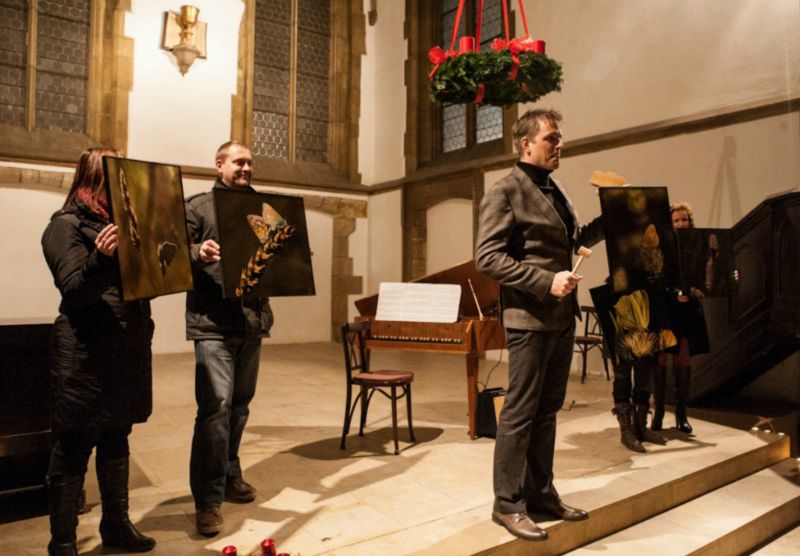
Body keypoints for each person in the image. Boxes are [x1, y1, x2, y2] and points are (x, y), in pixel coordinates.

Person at [475, 108, 604, 541]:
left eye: (560, 137)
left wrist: (612, 216)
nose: (560, 144)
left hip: (561, 316)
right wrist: (546, 281)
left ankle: (541, 493)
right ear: (526, 143)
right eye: (551, 138)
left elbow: (572, 241)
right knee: (519, 412)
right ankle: (508, 504)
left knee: (547, 411)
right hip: (529, 318)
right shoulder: (505, 190)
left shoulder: (555, 188)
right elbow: (487, 258)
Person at [41, 148, 156, 555]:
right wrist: (101, 258)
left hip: (125, 347)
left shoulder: (126, 225)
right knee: (74, 446)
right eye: (117, 174)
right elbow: (74, 290)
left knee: (116, 436)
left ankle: (116, 525)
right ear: (96, 178)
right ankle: (63, 542)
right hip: (85, 351)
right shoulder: (64, 226)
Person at [185, 141, 274, 536]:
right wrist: (196, 252)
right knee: (215, 408)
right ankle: (207, 499)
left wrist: (294, 259)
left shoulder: (265, 208)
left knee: (239, 407)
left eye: (250, 163)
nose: (246, 168)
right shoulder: (198, 207)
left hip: (251, 321)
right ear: (218, 164)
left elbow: (279, 252)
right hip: (212, 324)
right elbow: (168, 251)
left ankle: (229, 473)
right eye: (239, 162)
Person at [652, 202, 710, 433]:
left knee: (683, 360)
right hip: (666, 309)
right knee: (660, 360)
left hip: (687, 311)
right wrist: (675, 293)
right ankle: (657, 413)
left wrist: (699, 289)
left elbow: (702, 276)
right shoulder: (661, 246)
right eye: (676, 220)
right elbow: (657, 277)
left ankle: (681, 414)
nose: (681, 223)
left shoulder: (697, 246)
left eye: (684, 219)